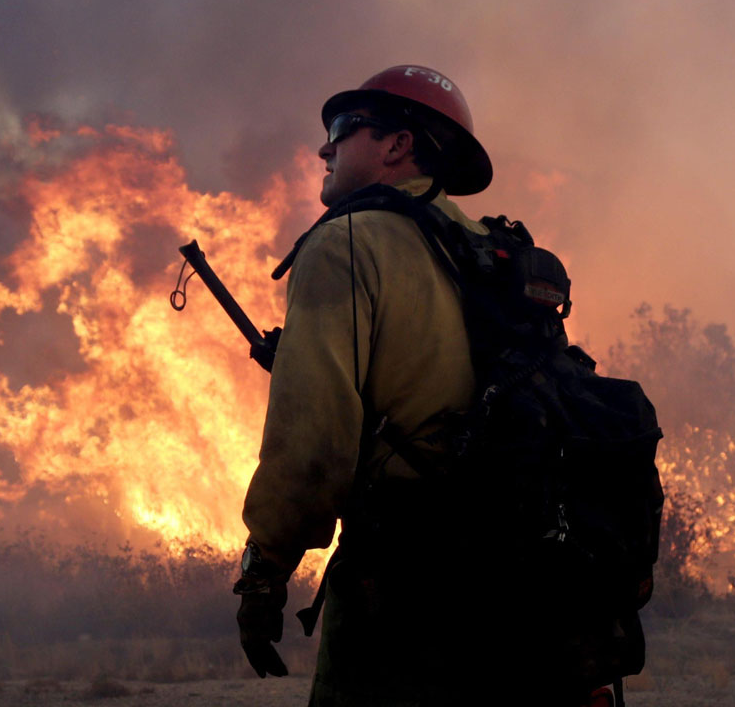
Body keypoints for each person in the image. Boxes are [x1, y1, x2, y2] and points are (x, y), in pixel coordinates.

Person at [234, 65, 586, 707]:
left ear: (397, 144)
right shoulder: (490, 252)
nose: (324, 148)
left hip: (400, 582)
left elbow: (312, 448)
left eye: (344, 128)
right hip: (520, 576)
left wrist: (264, 572)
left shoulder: (345, 242)